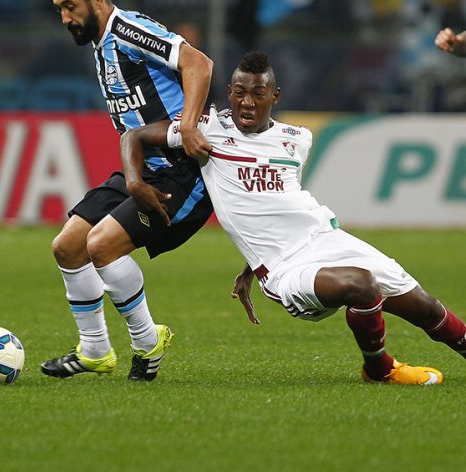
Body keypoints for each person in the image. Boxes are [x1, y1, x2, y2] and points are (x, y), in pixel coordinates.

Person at [120, 51, 466, 385]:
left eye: (258, 93)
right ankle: (380, 369)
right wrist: (135, 183)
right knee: (361, 286)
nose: (247, 102)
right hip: (286, 269)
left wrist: (246, 265)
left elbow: (275, 206)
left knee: (425, 306)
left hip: (329, 239)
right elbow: (133, 136)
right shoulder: (204, 128)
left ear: (276, 95)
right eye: (239, 93)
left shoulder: (297, 138)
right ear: (229, 93)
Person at [41, 0, 214, 381]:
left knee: (101, 245)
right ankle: (96, 350)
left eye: (70, 7)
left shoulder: (129, 29)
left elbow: (198, 63)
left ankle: (146, 342)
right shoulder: (102, 44)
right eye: (59, 9)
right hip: (142, 167)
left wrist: (188, 125)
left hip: (180, 172)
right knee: (67, 247)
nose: (64, 18)